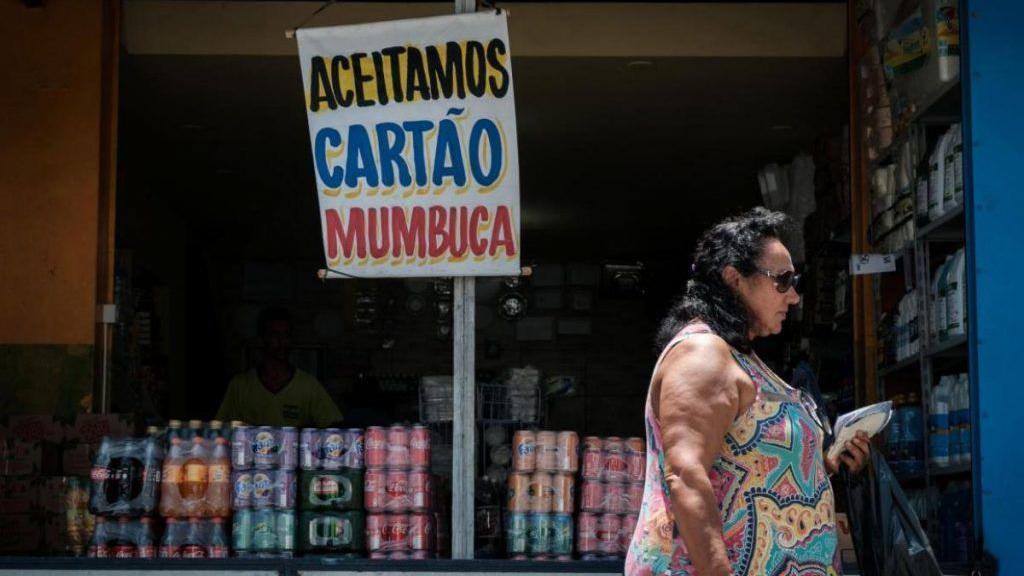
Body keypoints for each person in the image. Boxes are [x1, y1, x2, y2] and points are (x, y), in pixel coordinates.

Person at [625, 208, 870, 576]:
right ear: (734, 279)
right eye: (783, 281)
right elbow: (686, 476)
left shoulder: (741, 357)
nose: (794, 297)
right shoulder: (703, 354)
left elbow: (755, 468)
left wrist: (825, 464)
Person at [216, 307, 343, 427]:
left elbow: (334, 425)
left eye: (286, 335)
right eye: (274, 335)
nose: (282, 341)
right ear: (262, 339)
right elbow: (220, 430)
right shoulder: (240, 385)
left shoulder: (308, 385)